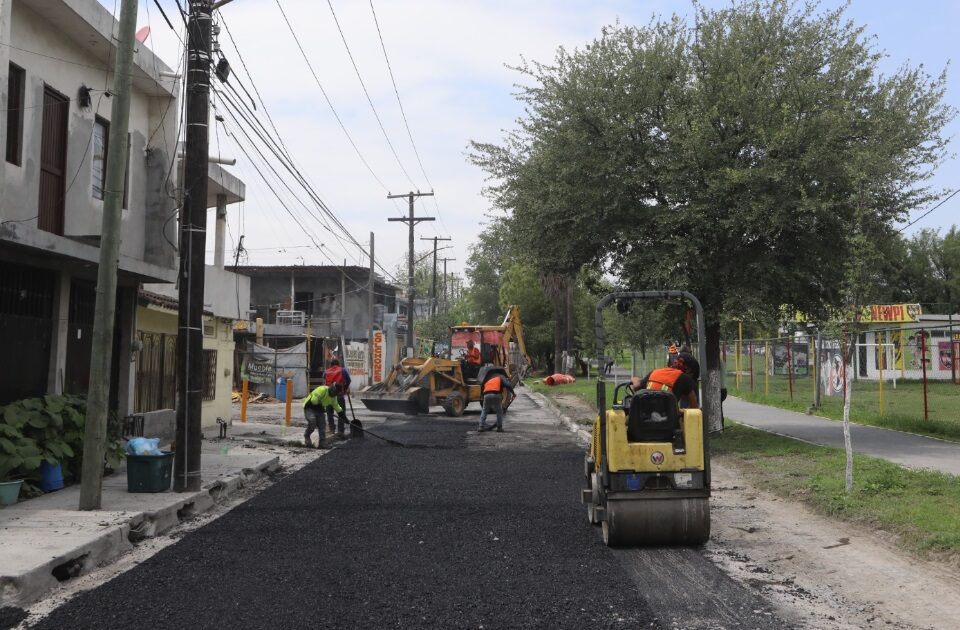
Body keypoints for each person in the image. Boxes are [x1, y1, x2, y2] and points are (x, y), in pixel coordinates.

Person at [633, 354, 699, 409]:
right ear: (688, 370)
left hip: (643, 417)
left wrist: (635, 379)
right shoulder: (685, 378)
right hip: (667, 421)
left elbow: (636, 387)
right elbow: (694, 408)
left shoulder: (655, 372)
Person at [303, 382, 341, 448]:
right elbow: (313, 401)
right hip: (310, 407)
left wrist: (343, 416)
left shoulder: (334, 397)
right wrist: (321, 408)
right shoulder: (322, 390)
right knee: (312, 422)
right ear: (331, 389)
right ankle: (307, 435)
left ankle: (322, 444)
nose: (334, 395)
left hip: (320, 409)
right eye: (334, 393)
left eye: (336, 394)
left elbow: (336, 406)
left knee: (322, 426)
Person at [324, 358, 352, 437]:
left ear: (331, 365)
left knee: (329, 413)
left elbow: (325, 381)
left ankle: (332, 429)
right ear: (338, 364)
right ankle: (340, 431)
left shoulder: (326, 372)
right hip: (339, 394)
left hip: (328, 395)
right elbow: (348, 380)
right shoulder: (342, 370)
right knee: (341, 412)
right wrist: (345, 388)